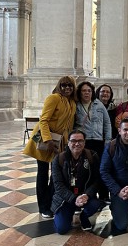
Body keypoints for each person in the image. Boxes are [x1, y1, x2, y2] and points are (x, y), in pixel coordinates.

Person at [24, 76, 77, 219]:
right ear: (59, 86)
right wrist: (48, 140)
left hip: (59, 141)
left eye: (70, 86)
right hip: (44, 139)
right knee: (42, 173)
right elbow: (44, 120)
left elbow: (68, 124)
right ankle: (43, 207)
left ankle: (51, 203)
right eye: (64, 85)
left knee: (56, 174)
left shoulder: (72, 102)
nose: (67, 88)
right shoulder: (53, 98)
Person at [51, 130, 102, 234]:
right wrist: (74, 199)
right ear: (68, 142)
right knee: (62, 229)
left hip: (85, 197)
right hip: (65, 199)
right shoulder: (59, 159)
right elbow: (58, 185)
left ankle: (83, 217)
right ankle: (65, 214)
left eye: (80, 141)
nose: (77, 144)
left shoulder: (92, 156)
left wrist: (87, 195)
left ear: (84, 142)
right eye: (73, 141)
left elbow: (97, 180)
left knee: (95, 204)